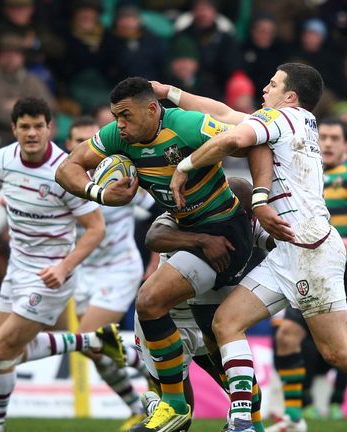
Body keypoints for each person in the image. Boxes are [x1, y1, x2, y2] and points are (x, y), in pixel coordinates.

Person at [159, 62, 347, 432]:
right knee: (227, 322)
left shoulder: (286, 118)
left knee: (339, 352)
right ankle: (242, 423)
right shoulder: (287, 122)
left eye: (272, 84)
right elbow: (223, 114)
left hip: (311, 249)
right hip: (287, 249)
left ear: (291, 96)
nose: (264, 88)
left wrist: (184, 166)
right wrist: (169, 92)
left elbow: (232, 139)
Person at [54, 77, 254, 432]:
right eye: (116, 116)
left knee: (149, 301)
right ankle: (245, 423)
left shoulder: (187, 125)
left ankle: (173, 405)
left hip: (224, 232)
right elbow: (66, 167)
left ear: (152, 109)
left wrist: (263, 197)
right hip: (188, 234)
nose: (120, 125)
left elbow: (245, 142)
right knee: (212, 346)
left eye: (126, 116)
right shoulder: (119, 137)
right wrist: (98, 193)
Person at [0, 97, 116, 432]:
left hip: (51, 275)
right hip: (18, 268)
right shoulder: (2, 160)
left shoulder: (65, 171)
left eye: (38, 126)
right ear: (13, 129)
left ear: (50, 128)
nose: (31, 133)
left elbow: (96, 228)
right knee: (7, 355)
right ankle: (90, 342)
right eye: (24, 126)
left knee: (0, 351)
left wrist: (64, 267)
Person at [266, 118, 347, 430]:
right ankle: (295, 416)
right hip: (315, 271)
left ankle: (338, 402)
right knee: (288, 335)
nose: (327, 143)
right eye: (322, 136)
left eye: (334, 138)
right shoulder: (309, 173)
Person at [137, 177, 270, 432]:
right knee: (179, 417)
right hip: (167, 318)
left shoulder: (250, 224)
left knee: (238, 381)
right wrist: (202, 240)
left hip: (209, 309)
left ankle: (253, 427)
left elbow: (275, 242)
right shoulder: (190, 211)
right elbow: (153, 237)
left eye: (241, 215)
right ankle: (159, 405)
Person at [64, 116, 155, 432]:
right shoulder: (63, 178)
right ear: (68, 145)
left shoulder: (121, 172)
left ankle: (153, 372)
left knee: (88, 337)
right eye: (78, 140)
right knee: (92, 350)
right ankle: (136, 405)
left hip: (119, 269)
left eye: (90, 139)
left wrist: (156, 257)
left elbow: (158, 211)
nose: (84, 146)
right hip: (82, 272)